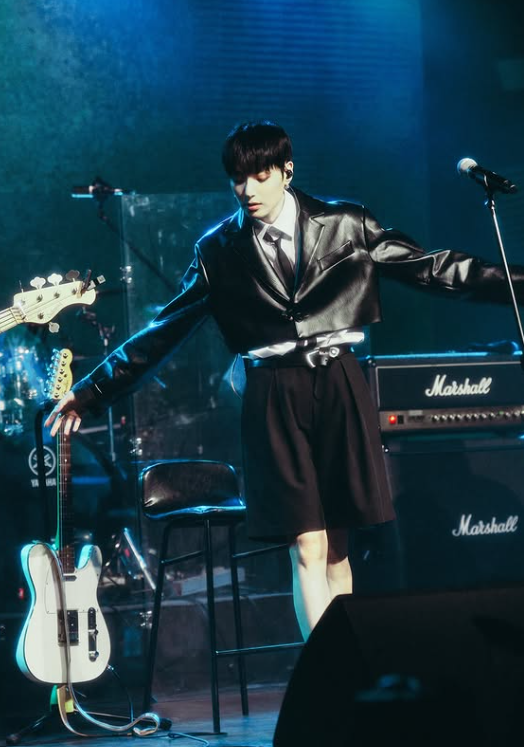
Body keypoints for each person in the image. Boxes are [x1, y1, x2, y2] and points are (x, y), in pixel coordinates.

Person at [46, 120, 524, 639]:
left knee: (337, 548)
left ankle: (347, 662)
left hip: (339, 383)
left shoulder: (345, 223)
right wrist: (91, 391)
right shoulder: (218, 249)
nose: (247, 190)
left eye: (259, 176)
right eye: (237, 179)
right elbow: (165, 331)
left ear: (286, 171)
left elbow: (434, 268)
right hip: (274, 391)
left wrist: (515, 284)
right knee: (307, 545)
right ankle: (325, 666)